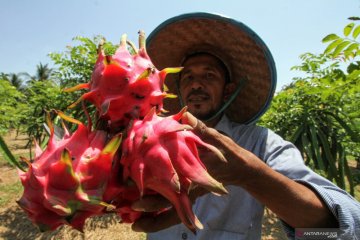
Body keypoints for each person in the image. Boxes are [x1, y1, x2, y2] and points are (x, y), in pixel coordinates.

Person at [131, 13, 360, 239]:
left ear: (228, 89)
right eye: (188, 77)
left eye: (209, 76)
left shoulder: (260, 143)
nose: (197, 84)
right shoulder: (145, 138)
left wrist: (250, 175)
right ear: (178, 89)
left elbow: (349, 227)